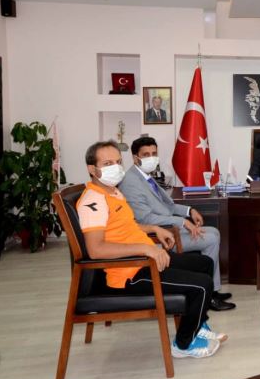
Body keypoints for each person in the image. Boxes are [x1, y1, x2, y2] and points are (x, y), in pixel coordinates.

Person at [76, 140, 227, 358]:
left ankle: (197, 326)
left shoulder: (113, 193)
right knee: (202, 285)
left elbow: (128, 226)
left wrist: (154, 229)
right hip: (128, 272)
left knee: (204, 263)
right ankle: (184, 345)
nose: (116, 167)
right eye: (108, 163)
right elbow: (96, 250)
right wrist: (147, 249)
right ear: (92, 169)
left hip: (144, 259)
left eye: (118, 162)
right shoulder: (93, 201)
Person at [118, 136, 234, 311]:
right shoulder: (131, 182)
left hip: (169, 229)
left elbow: (168, 205)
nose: (151, 158)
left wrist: (189, 211)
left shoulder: (146, 177)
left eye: (154, 153)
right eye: (146, 154)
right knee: (210, 238)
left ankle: (213, 290)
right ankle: (209, 295)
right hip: (160, 238)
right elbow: (146, 219)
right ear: (135, 158)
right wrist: (182, 222)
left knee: (214, 232)